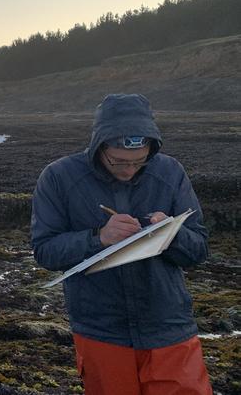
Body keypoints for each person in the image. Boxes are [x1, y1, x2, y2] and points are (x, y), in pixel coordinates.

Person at [31, 93, 213, 394]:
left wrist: (172, 233)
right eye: (119, 162)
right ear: (99, 145)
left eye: (139, 162)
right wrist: (98, 238)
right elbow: (45, 250)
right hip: (101, 331)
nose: (129, 170)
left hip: (169, 327)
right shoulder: (59, 178)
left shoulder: (169, 172)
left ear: (151, 149)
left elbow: (198, 249)